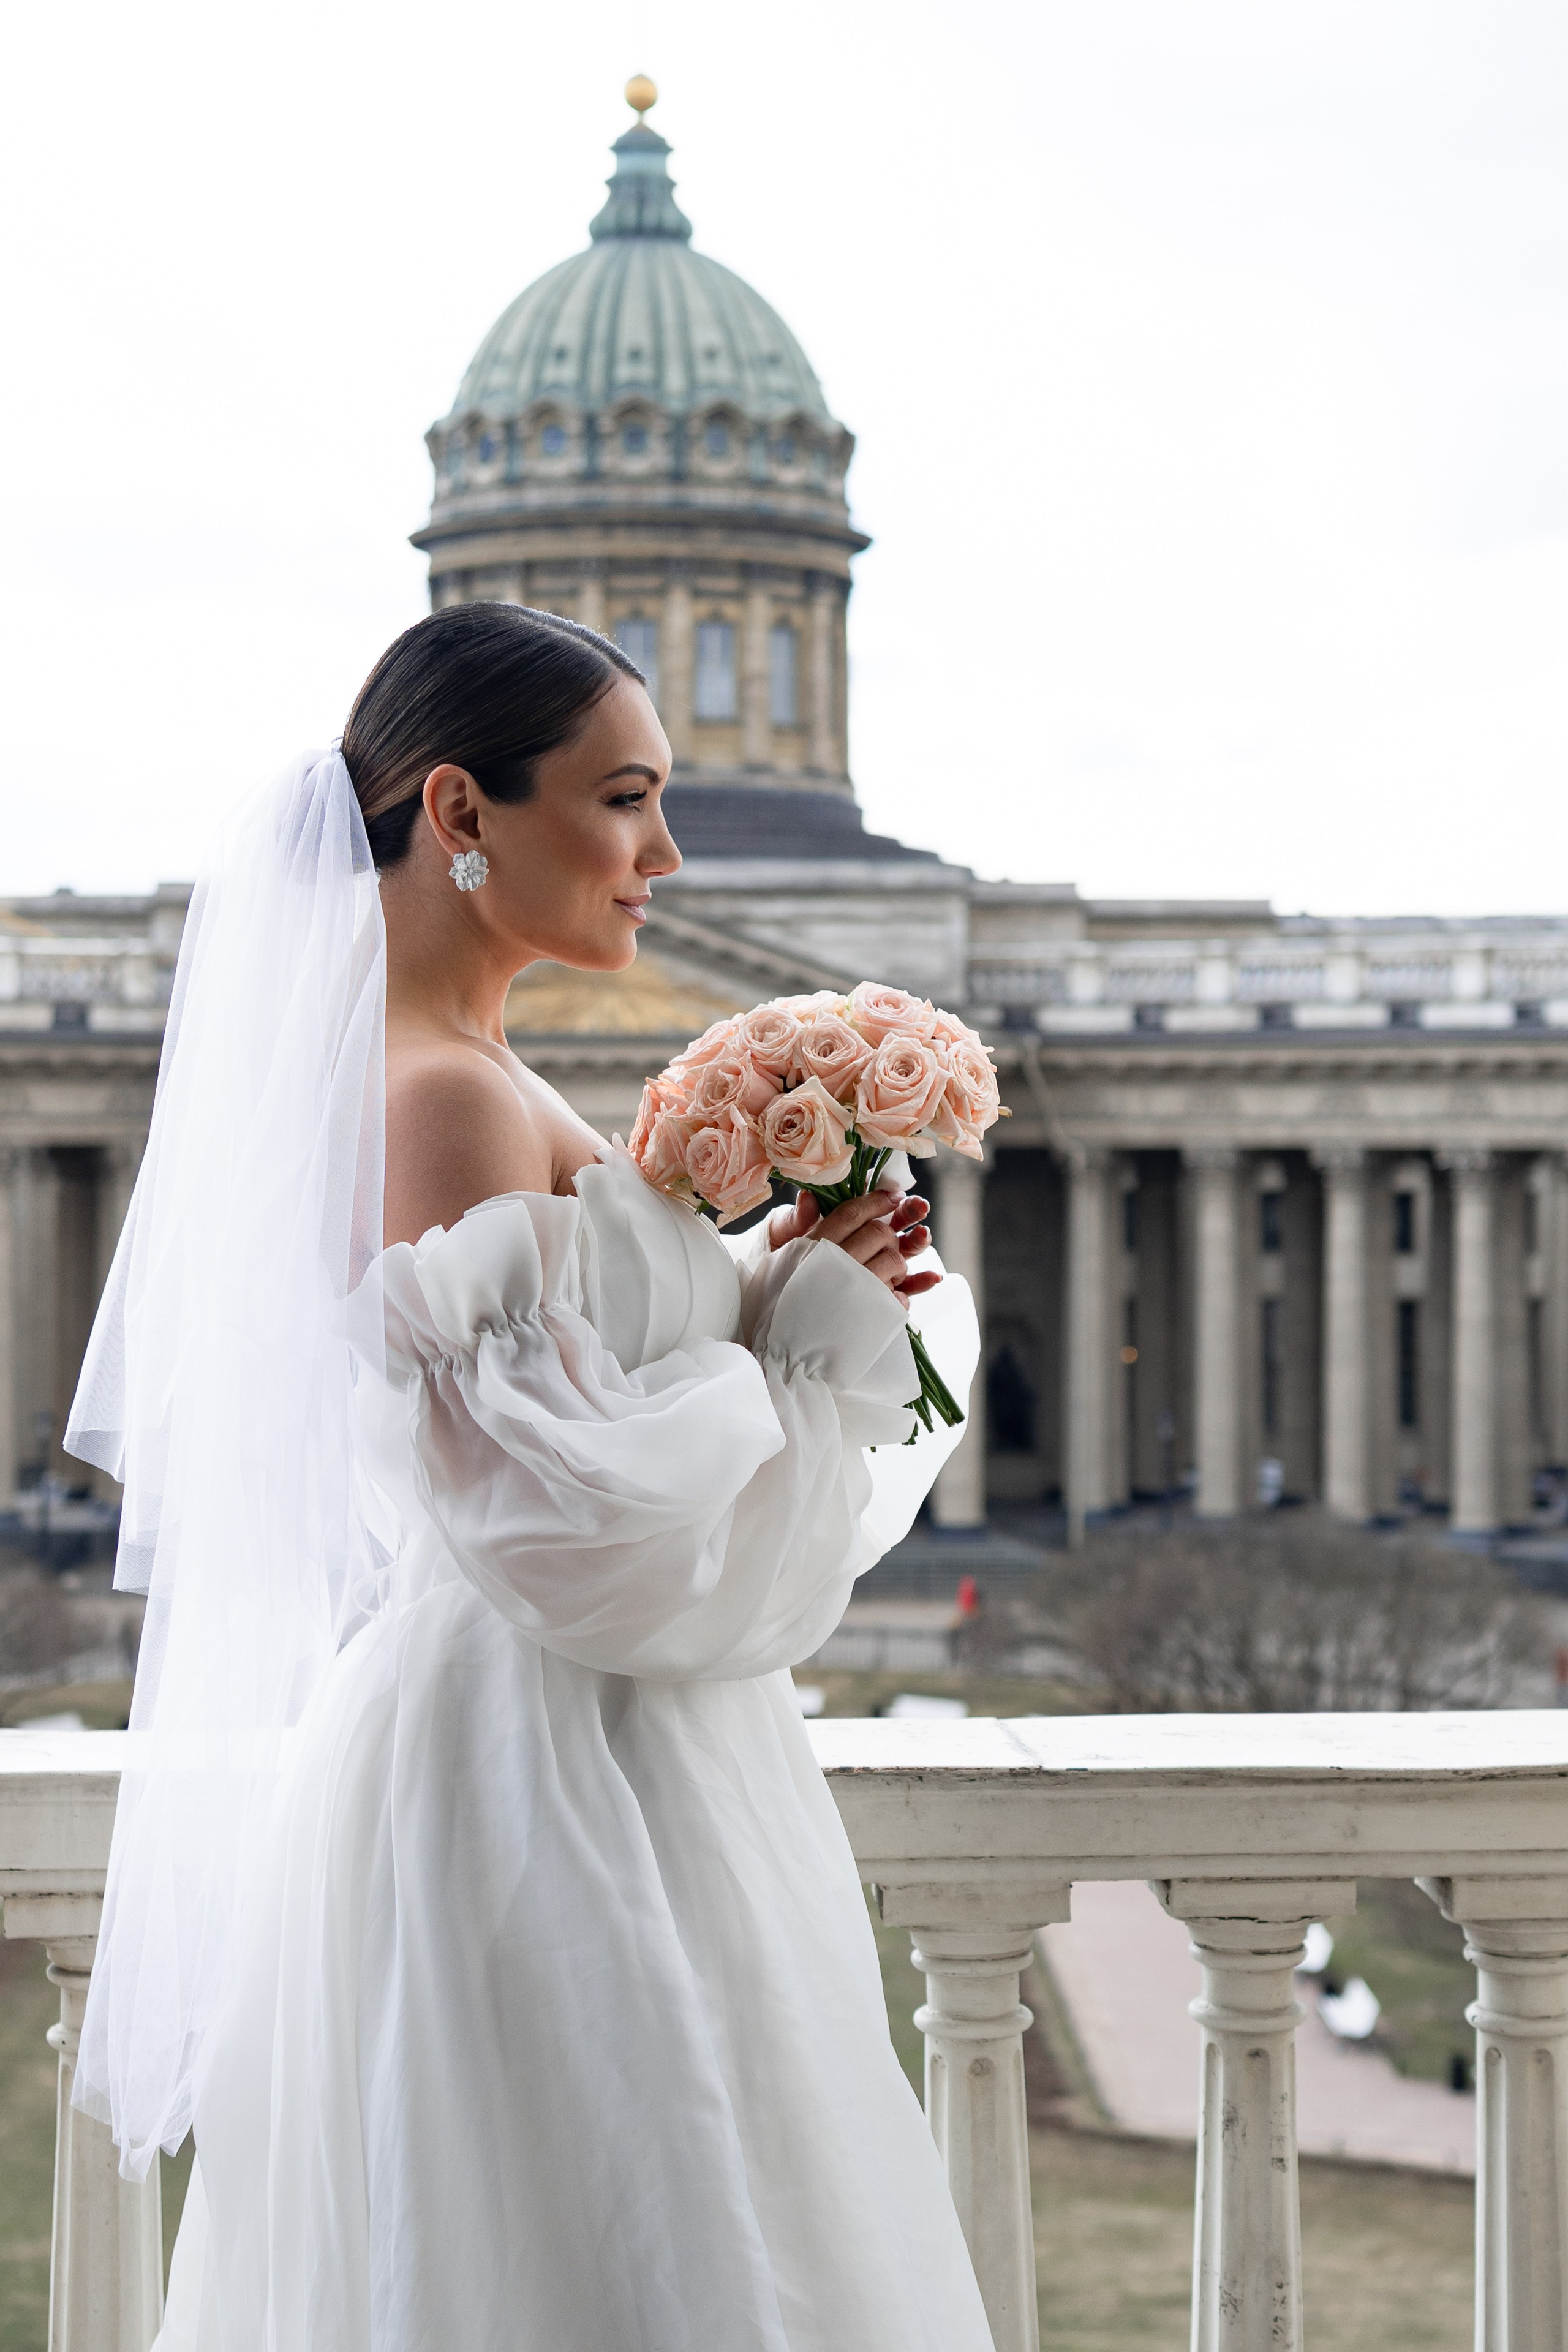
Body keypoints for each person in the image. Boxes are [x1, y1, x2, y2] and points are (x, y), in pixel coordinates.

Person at [67, 603, 990, 2350]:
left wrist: (795, 1278)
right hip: (551, 1776)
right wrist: (805, 1321)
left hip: (593, 1753)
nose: (666, 853)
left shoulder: (479, 1074)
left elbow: (589, 1468)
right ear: (462, 813)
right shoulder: (446, 1103)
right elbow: (576, 1538)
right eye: (625, 796)